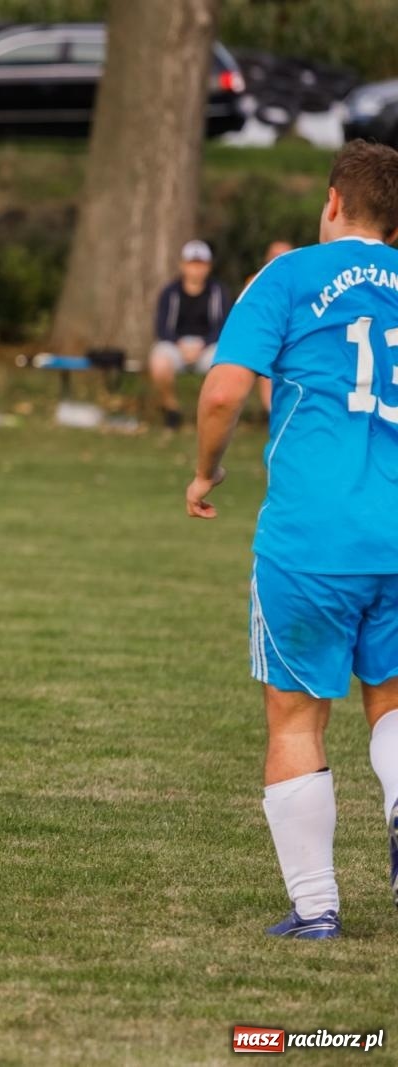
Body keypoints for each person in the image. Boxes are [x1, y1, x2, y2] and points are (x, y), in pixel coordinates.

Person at [185, 140, 398, 940]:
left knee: (296, 717)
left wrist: (206, 470)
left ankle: (316, 909)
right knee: (392, 700)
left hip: (312, 537)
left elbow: (223, 392)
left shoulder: (289, 276)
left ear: (333, 201)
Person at [149, 239, 229, 429]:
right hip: (176, 345)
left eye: (201, 264)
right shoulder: (170, 292)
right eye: (192, 264)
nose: (196, 270)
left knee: (226, 365)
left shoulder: (219, 292)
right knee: (159, 362)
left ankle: (212, 413)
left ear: (208, 267)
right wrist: (179, 345)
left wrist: (203, 344)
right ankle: (171, 409)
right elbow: (161, 328)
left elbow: (224, 326)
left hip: (208, 345)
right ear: (183, 265)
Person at [246, 240, 295, 415]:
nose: (280, 260)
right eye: (275, 256)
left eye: (285, 255)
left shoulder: (303, 285)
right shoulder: (255, 283)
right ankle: (271, 411)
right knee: (268, 358)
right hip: (265, 338)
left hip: (294, 340)